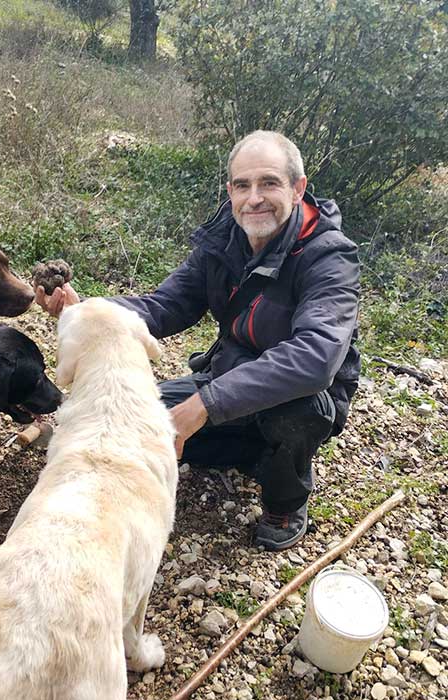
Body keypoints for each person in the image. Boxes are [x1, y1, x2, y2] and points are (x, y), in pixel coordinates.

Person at [35, 130, 360, 551]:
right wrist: (87, 311)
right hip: (229, 373)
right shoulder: (224, 237)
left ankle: (286, 498)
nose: (254, 198)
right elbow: (168, 304)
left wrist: (204, 406)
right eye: (242, 185)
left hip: (301, 395)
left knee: (293, 414)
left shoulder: (328, 256)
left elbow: (315, 359)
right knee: (140, 422)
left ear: (298, 188)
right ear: (230, 190)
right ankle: (252, 450)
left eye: (269, 183)